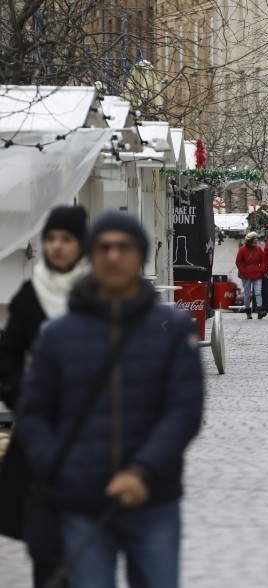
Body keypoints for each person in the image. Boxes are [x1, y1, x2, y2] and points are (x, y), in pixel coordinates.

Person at [15, 211, 205, 588]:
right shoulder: (59, 334)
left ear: (140, 255)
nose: (114, 256)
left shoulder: (172, 329)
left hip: (153, 496)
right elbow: (34, 414)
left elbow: (183, 410)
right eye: (104, 248)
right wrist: (61, 469)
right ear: (91, 255)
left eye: (124, 247)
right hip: (80, 502)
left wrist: (141, 471)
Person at [0, 205, 90, 588]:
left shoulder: (100, 293)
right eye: (50, 238)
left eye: (65, 239)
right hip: (41, 431)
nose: (56, 246)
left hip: (92, 431)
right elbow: (8, 354)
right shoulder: (30, 295)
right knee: (44, 536)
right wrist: (24, 399)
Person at [235, 231, 266, 319]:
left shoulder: (259, 249)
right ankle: (248, 311)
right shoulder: (242, 249)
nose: (256, 239)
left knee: (258, 292)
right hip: (246, 275)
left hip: (257, 274)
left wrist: (262, 270)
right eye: (255, 238)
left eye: (256, 238)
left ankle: (259, 310)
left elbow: (263, 261)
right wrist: (243, 270)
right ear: (250, 240)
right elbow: (238, 262)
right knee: (247, 293)